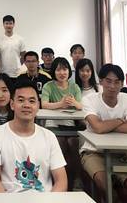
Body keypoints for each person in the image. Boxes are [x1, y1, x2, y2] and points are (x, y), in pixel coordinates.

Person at [81, 64, 127, 203]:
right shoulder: (89, 99)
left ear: (122, 84)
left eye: (117, 82)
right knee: (106, 186)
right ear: (101, 82)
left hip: (123, 153)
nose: (112, 86)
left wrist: (104, 125)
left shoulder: (126, 98)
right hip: (94, 152)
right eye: (108, 81)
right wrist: (120, 121)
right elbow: (98, 128)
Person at [0, 79, 68, 193]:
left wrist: (50, 200)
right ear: (12, 104)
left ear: (38, 105)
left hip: (44, 199)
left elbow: (61, 180)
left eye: (32, 101)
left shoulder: (49, 137)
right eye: (21, 100)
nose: (26, 105)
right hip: (9, 198)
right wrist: (5, 200)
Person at [41, 57, 82, 190]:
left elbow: (81, 106)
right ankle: (58, 180)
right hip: (52, 124)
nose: (62, 73)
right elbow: (44, 104)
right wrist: (61, 104)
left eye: (64, 69)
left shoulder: (74, 86)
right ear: (54, 71)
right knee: (60, 144)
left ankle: (76, 178)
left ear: (69, 71)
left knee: (74, 143)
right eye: (58, 70)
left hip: (70, 124)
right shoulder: (48, 86)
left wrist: (74, 103)